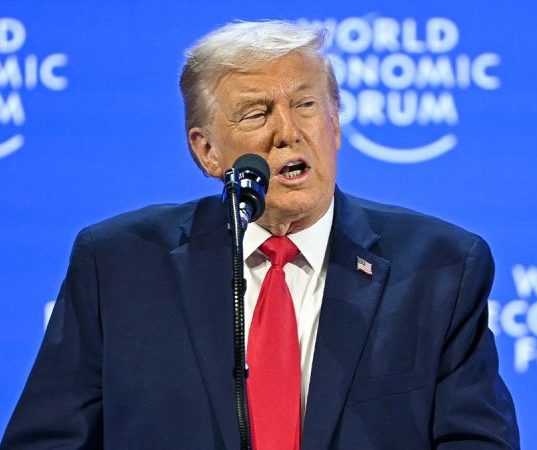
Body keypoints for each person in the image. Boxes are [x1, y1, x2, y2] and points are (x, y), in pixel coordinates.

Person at [1, 20, 519, 450]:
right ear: (207, 151)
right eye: (257, 113)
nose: (288, 132)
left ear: (335, 124)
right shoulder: (119, 263)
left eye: (306, 105)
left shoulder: (440, 267)